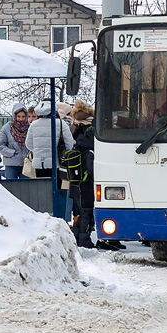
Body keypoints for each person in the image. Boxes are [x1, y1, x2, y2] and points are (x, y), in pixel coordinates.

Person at [67, 101, 97, 248]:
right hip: (86, 180)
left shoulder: (73, 131)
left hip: (74, 179)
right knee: (87, 210)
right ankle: (85, 240)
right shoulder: (89, 142)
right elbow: (91, 167)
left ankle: (77, 237)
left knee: (79, 211)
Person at [0, 103, 31, 180]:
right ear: (14, 116)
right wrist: (12, 152)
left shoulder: (30, 128)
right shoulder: (6, 128)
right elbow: (0, 145)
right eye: (19, 116)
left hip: (26, 164)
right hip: (11, 164)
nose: (21, 119)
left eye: (23, 117)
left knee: (27, 188)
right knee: (11, 188)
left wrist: (29, 154)